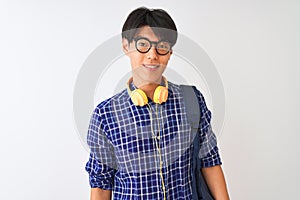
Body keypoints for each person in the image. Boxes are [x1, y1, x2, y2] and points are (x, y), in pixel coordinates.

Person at [85, 7, 229, 200]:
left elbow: (210, 162)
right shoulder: (105, 115)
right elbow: (101, 186)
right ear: (126, 46)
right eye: (143, 44)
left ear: (169, 53)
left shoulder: (192, 100)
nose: (152, 55)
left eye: (161, 46)